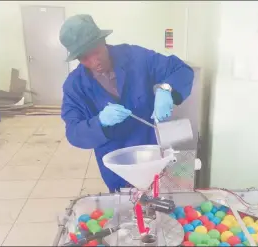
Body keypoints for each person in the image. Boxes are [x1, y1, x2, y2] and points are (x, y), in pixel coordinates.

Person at [59, 14, 194, 193]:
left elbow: (180, 69)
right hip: (118, 165)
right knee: (129, 209)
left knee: (162, 201)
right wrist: (99, 122)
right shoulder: (75, 85)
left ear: (103, 42)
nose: (94, 62)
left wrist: (167, 89)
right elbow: (74, 132)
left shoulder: (135, 57)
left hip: (152, 150)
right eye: (85, 58)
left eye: (96, 52)